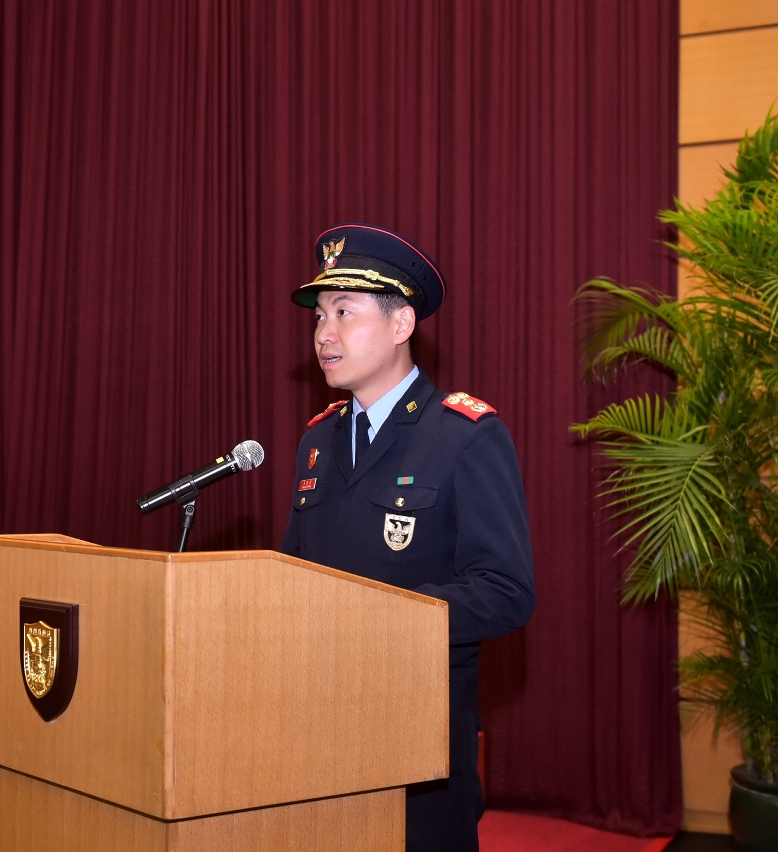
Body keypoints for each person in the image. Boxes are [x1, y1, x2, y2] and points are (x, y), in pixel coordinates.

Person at [281, 223, 536, 852]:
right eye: (319, 315)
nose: (324, 333)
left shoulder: (464, 435)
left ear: (401, 324)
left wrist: (380, 619)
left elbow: (505, 591)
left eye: (344, 312)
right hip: (317, 721)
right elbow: (291, 575)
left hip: (418, 728)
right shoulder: (317, 441)